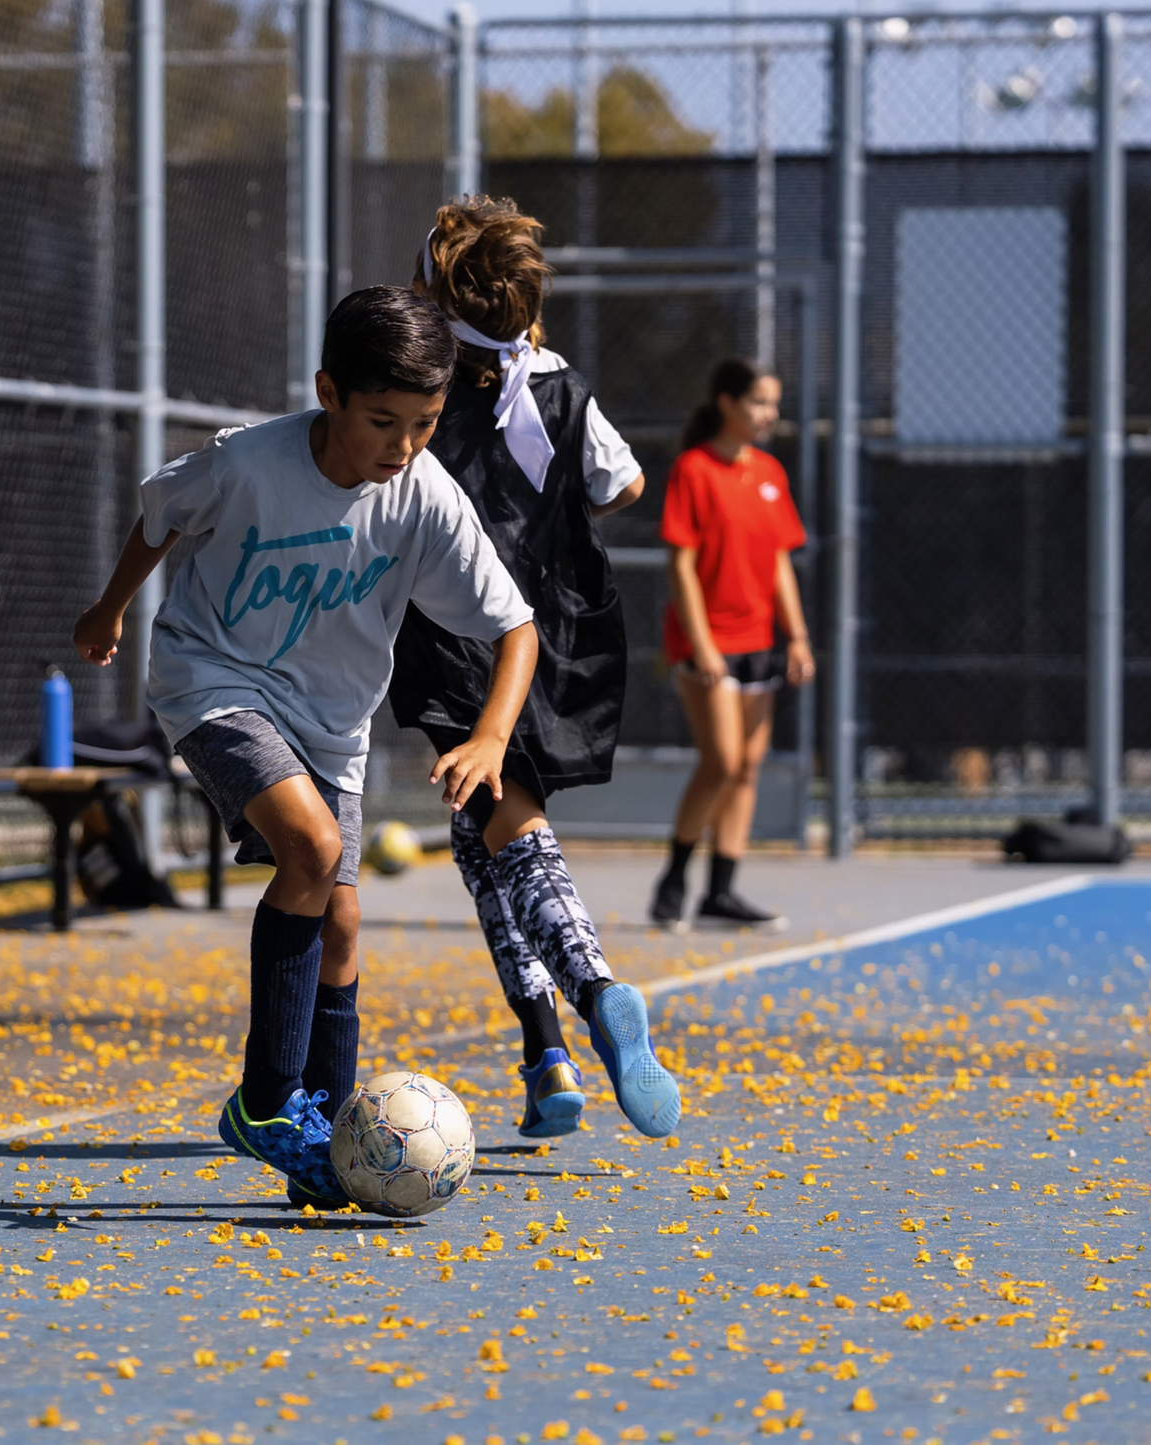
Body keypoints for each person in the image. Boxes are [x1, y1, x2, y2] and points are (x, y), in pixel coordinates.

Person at [72, 286, 540, 1206]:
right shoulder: (247, 462)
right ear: (329, 393)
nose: (403, 446)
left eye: (426, 424)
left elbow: (515, 626)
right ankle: (266, 1102)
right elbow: (162, 515)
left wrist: (491, 736)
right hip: (213, 681)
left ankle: (325, 1139)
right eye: (383, 421)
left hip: (333, 725)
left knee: (344, 922)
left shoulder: (425, 497)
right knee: (314, 851)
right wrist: (110, 606)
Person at [390, 196, 682, 1143]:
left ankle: (594, 992)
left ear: (436, 301)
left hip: (460, 638)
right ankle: (544, 1050)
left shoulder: (419, 395)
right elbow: (624, 483)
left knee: (506, 823)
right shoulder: (557, 383)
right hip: (558, 629)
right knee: (481, 834)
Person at [650, 357, 815, 932]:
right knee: (720, 761)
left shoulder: (769, 472)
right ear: (727, 403)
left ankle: (720, 893)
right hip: (709, 643)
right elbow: (681, 564)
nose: (770, 414)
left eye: (773, 404)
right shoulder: (693, 469)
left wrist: (797, 637)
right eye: (759, 402)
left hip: (759, 642)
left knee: (746, 768)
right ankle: (675, 876)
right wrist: (702, 645)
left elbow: (779, 563)